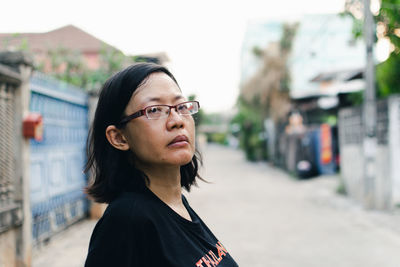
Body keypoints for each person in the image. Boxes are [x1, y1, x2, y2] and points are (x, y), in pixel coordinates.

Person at [84, 62, 238, 267]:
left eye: (182, 107)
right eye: (155, 109)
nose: (177, 120)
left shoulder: (176, 204)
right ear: (119, 137)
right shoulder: (126, 221)